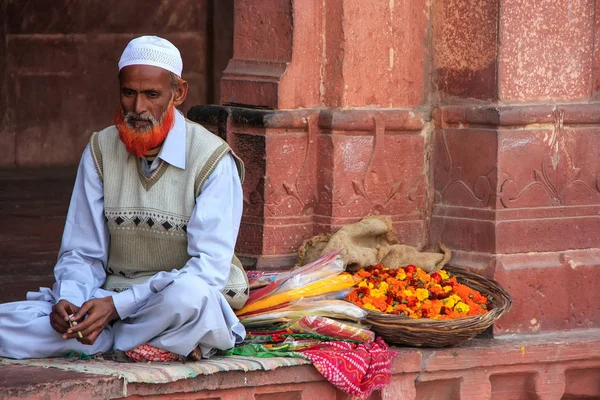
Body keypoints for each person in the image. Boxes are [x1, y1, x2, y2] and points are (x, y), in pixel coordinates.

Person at [0, 36, 247, 361]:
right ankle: (127, 342)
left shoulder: (212, 160)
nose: (138, 108)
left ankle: (109, 337)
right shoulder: (101, 149)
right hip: (106, 298)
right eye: (128, 93)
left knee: (191, 297)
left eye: (152, 95)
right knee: (10, 322)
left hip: (169, 302)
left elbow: (208, 271)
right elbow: (82, 252)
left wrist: (118, 307)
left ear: (179, 93)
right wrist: (71, 301)